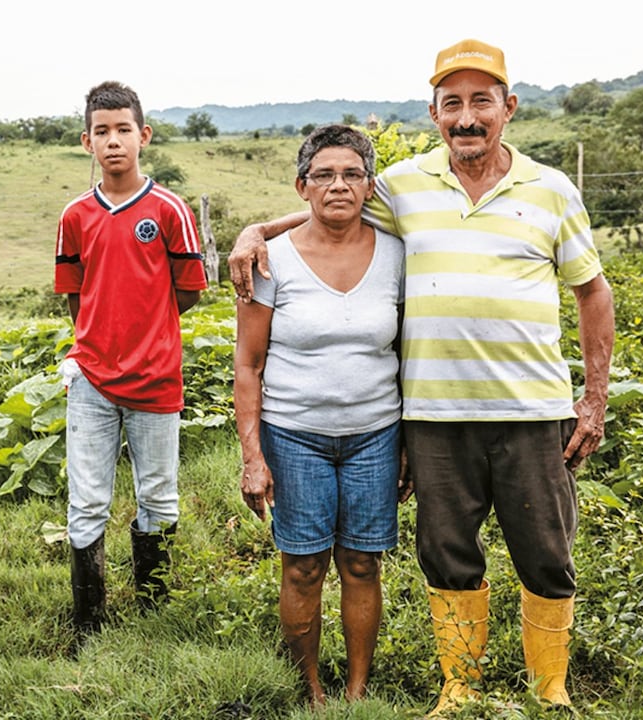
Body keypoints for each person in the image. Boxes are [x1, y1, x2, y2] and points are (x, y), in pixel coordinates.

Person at [228, 39, 616, 714]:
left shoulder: (551, 189)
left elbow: (593, 293)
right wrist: (256, 230)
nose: (467, 118)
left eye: (481, 102)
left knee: (546, 553)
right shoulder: (407, 184)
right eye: (453, 104)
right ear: (434, 112)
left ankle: (549, 687)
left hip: (531, 410)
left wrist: (593, 400)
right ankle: (460, 687)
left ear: (509, 108)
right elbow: (331, 205)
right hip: (434, 416)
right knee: (446, 552)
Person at [233, 125, 409, 705]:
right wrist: (253, 456)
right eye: (324, 175)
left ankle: (357, 691)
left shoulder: (397, 254)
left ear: (369, 184)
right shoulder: (268, 260)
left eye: (352, 174)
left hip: (375, 434)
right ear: (302, 186)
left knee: (362, 564)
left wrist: (408, 442)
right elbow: (249, 365)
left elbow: (408, 353)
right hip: (295, 435)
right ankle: (310, 691)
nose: (339, 185)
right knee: (304, 567)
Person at [54, 81, 208, 640]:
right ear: (86, 141)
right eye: (102, 132)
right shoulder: (75, 216)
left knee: (159, 494)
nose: (113, 141)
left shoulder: (169, 210)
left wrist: (148, 330)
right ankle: (87, 622)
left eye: (123, 130)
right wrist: (100, 339)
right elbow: (75, 294)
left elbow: (187, 290)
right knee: (87, 499)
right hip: (92, 378)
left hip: (157, 378)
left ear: (143, 136)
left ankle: (156, 611)